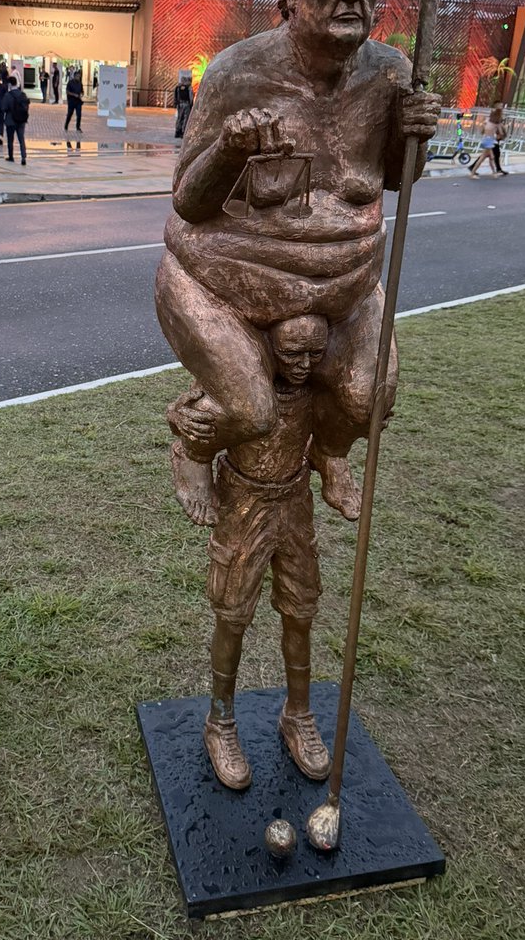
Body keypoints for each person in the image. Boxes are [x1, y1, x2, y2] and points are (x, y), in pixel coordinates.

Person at [155, 0, 440, 531]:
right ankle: (192, 441)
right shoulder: (238, 71)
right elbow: (189, 202)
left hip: (345, 289)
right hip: (226, 284)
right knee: (249, 411)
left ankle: (330, 455)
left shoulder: (392, 74)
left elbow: (392, 180)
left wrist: (413, 136)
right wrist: (231, 149)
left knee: (371, 399)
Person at [167, 316, 334, 785]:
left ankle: (297, 714)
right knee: (233, 615)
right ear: (267, 348)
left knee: (301, 611)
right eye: (291, 354)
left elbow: (328, 439)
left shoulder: (318, 389)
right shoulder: (236, 387)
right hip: (245, 507)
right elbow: (186, 430)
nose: (303, 365)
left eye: (314, 355)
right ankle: (220, 722)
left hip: (295, 505)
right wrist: (193, 476)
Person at [469, 107, 506, 177]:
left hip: (486, 139)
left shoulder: (487, 121)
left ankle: (494, 173)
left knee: (490, 158)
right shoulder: (496, 123)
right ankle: (472, 173)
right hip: (490, 141)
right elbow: (501, 133)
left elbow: (482, 131)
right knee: (484, 158)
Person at [2, 75, 29, 165]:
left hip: (10, 120)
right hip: (21, 120)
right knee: (21, 139)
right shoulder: (22, 94)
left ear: (9, 84)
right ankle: (23, 157)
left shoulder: (8, 95)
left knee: (10, 139)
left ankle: (11, 156)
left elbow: (4, 108)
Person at [64, 67, 84, 148]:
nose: (78, 78)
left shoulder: (80, 83)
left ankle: (78, 127)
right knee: (70, 114)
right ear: (74, 76)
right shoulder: (70, 83)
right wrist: (74, 94)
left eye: (79, 77)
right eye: (77, 76)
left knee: (79, 114)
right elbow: (67, 92)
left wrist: (81, 94)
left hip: (78, 101)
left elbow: (82, 91)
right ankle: (66, 125)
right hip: (71, 101)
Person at [174, 74, 193, 139]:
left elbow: (175, 96)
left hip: (180, 104)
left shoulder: (178, 87)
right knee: (185, 118)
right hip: (187, 104)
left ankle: (177, 131)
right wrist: (191, 104)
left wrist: (176, 103)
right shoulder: (189, 87)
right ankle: (183, 131)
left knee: (179, 118)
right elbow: (191, 97)